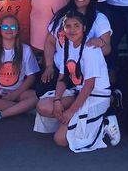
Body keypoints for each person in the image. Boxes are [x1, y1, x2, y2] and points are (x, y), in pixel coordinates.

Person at [35, 11, 119, 151]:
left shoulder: (90, 49)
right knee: (44, 106)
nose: (72, 30)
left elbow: (89, 86)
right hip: (77, 91)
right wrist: (56, 101)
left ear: (84, 28)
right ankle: (73, 122)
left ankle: (105, 121)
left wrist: (70, 111)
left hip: (96, 95)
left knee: (60, 139)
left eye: (76, 26)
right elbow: (62, 78)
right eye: (68, 26)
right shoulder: (66, 47)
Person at [43, 0, 113, 82]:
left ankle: (113, 97)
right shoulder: (62, 15)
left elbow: (107, 49)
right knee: (40, 91)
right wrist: (49, 66)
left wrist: (100, 43)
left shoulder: (99, 18)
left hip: (85, 72)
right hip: (60, 70)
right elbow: (50, 41)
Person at [0, 14, 40, 123]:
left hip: (19, 91)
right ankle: (24, 109)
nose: (9, 30)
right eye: (5, 27)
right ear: (0, 30)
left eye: (13, 27)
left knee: (36, 98)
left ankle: (0, 114)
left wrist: (16, 93)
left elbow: (31, 76)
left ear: (17, 30)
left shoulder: (26, 50)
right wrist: (0, 91)